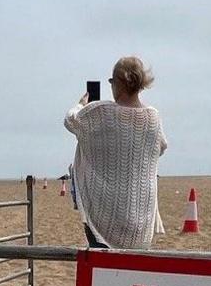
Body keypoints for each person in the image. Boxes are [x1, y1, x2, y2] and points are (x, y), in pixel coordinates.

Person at [64, 56, 167, 249]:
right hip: (141, 217)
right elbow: (160, 146)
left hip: (105, 215)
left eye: (112, 82)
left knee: (104, 267)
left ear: (118, 82)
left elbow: (71, 121)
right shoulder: (153, 117)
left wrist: (80, 105)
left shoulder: (101, 112)